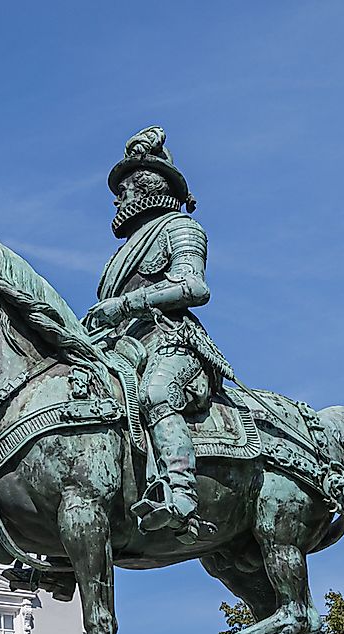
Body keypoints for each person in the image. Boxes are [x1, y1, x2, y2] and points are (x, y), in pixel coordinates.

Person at [85, 126, 231, 542]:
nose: (118, 199)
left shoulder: (181, 229)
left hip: (171, 341)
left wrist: (126, 304)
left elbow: (194, 287)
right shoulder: (121, 253)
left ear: (148, 190)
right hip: (122, 346)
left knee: (156, 392)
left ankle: (180, 493)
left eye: (125, 189)